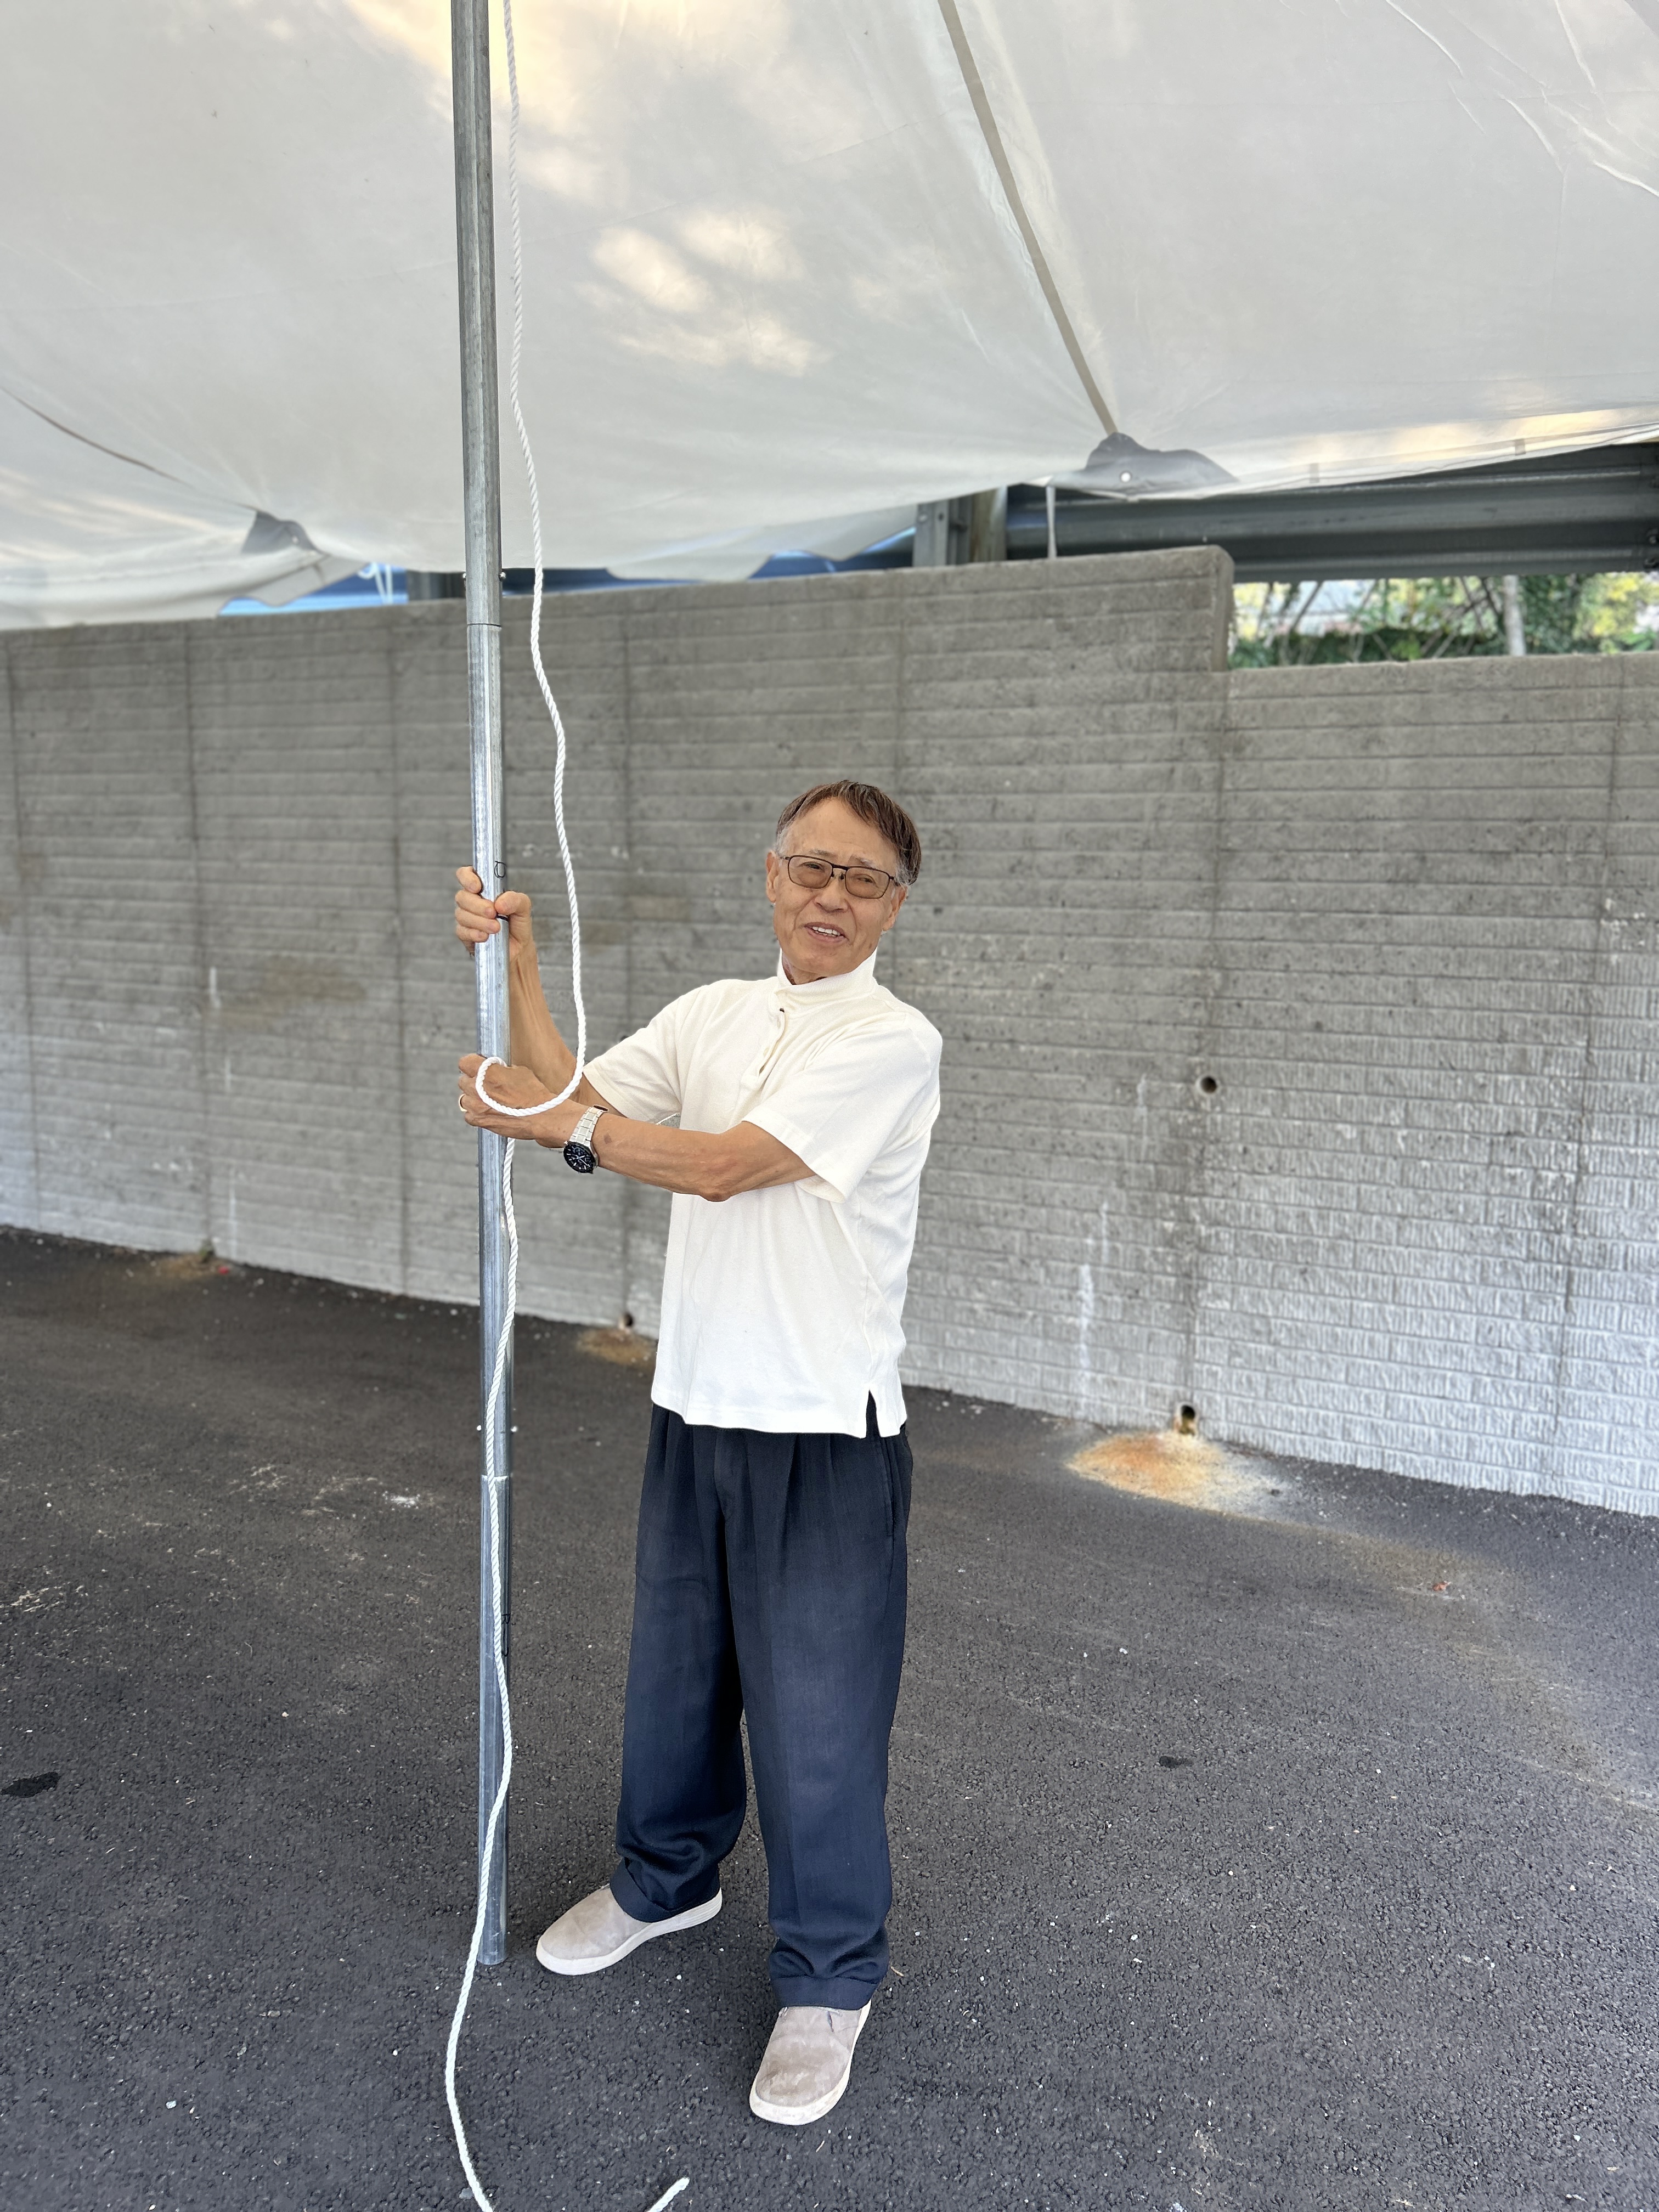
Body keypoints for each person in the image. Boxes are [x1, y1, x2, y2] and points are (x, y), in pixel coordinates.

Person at [453, 780, 942, 2128]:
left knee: (818, 1722)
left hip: (823, 1429)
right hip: (698, 1402)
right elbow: (574, 1093)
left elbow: (725, 1165)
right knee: (675, 1681)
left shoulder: (893, 1041)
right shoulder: (716, 1012)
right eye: (810, 867)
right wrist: (521, 964)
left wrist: (565, 1129)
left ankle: (830, 1977)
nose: (830, 896)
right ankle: (666, 1880)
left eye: (863, 879)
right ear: (771, 874)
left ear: (896, 906)